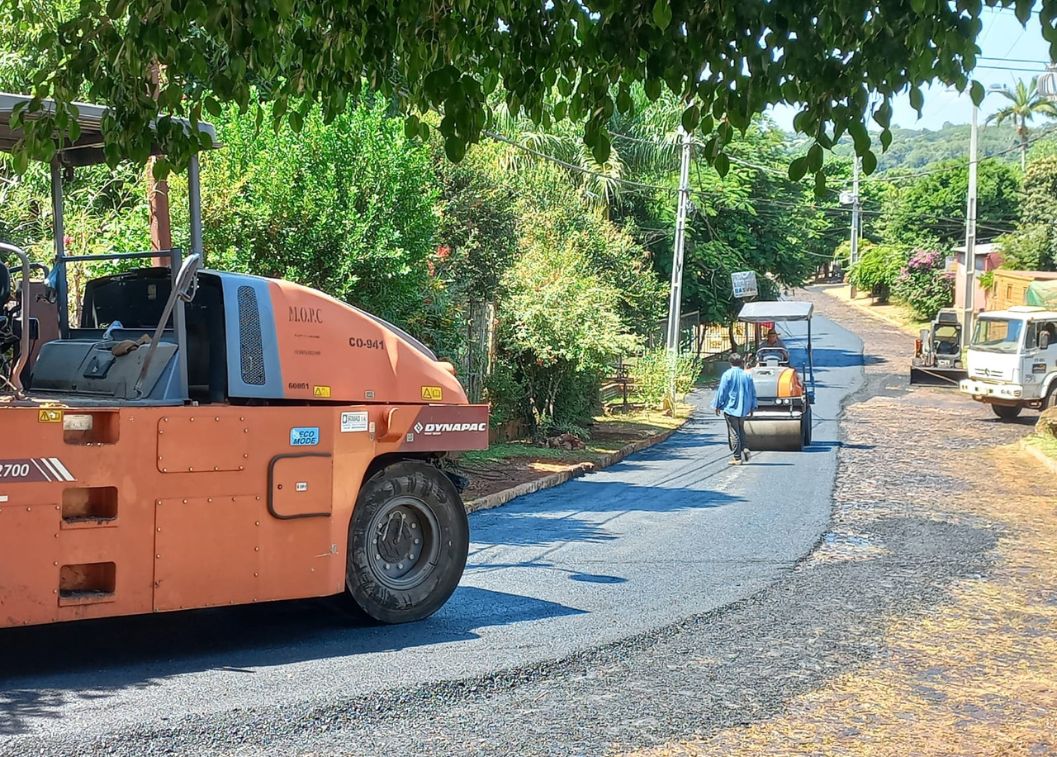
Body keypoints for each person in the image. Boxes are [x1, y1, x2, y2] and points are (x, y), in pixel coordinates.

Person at [712, 352, 758, 465]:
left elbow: (722, 392)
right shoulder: (747, 375)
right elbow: (752, 392)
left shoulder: (727, 375)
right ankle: (745, 448)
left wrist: (717, 405)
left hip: (731, 408)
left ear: (730, 363)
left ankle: (737, 457)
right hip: (744, 408)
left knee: (734, 432)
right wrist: (752, 406)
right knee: (741, 429)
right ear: (741, 363)